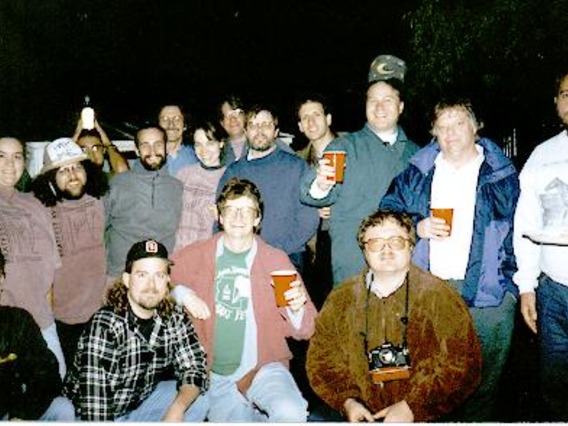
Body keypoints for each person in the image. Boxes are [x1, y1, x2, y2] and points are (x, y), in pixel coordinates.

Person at [380, 98, 519, 422]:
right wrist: (416, 227)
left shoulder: (502, 175)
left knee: (482, 385)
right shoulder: (417, 173)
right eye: (442, 126)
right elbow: (386, 214)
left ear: (475, 127)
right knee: (431, 383)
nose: (451, 133)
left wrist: (512, 288)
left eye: (458, 124)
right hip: (432, 292)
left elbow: (520, 231)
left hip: (489, 297)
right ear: (434, 132)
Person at [306, 210, 482, 422]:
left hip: (425, 413)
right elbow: (322, 359)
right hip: (360, 412)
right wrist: (348, 401)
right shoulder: (341, 299)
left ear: (411, 247)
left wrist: (413, 407)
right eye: (375, 243)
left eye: (396, 241)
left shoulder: (440, 296)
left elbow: (462, 364)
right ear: (364, 250)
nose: (386, 250)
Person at [170, 178, 317, 422]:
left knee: (291, 412)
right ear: (220, 216)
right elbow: (159, 278)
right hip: (216, 375)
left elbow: (307, 328)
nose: (239, 217)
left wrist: (296, 308)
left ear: (257, 219)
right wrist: (183, 294)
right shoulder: (197, 254)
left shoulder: (275, 260)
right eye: (231, 209)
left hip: (264, 366)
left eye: (247, 210)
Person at [300, 54, 419, 285]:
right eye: (373, 100)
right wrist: (321, 185)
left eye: (388, 100)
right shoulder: (343, 147)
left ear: (401, 106)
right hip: (353, 266)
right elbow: (309, 192)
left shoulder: (418, 155)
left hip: (404, 267)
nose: (379, 107)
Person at [64, 239, 209, 421]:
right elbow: (95, 410)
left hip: (136, 406)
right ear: (127, 280)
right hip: (92, 414)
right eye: (142, 275)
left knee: (198, 401)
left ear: (167, 280)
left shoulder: (174, 316)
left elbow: (195, 368)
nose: (151, 285)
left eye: (159, 275)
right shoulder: (105, 326)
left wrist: (178, 408)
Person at [513, 70, 568, 421]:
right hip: (554, 295)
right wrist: (527, 287)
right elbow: (526, 226)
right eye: (566, 94)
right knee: (556, 388)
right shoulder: (542, 155)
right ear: (557, 102)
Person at [31, 137, 109, 366]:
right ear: (51, 178)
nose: (73, 175)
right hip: (62, 319)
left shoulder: (103, 201)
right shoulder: (39, 211)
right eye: (63, 170)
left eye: (77, 167)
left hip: (103, 313)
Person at [218, 103, 319, 272]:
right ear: (245, 131)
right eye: (253, 125)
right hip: (241, 259)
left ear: (276, 131)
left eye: (266, 124)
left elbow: (309, 218)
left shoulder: (297, 167)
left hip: (287, 257)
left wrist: (278, 250)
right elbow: (220, 218)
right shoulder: (233, 172)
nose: (259, 130)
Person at [0, 136, 66, 378]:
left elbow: (50, 270)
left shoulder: (36, 204)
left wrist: (48, 315)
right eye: (1, 156)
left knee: (56, 379)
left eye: (17, 156)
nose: (10, 164)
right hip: (5, 327)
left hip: (42, 319)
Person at [0, 248, 75, 422]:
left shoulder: (18, 321)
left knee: (63, 408)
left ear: (2, 279)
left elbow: (47, 372)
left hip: (16, 413)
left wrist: (21, 414)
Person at [105, 125, 183, 280]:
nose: (152, 150)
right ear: (136, 150)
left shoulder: (177, 187)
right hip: (120, 277)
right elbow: (97, 231)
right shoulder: (118, 184)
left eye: (158, 144)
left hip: (160, 278)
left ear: (166, 148)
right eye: (145, 145)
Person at [295, 91, 336, 308]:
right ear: (300, 126)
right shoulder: (297, 162)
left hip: (346, 241)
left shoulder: (350, 150)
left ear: (328, 119)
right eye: (305, 118)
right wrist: (313, 209)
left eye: (316, 115)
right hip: (313, 246)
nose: (311, 122)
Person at [174, 118, 227, 252]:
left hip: (207, 253)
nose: (204, 150)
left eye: (210, 143)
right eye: (198, 144)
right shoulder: (183, 174)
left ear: (221, 143)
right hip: (178, 251)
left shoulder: (228, 177)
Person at [218, 94, 248, 163]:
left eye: (236, 114)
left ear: (245, 116)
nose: (233, 119)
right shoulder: (217, 151)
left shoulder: (259, 143)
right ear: (222, 123)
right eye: (227, 116)